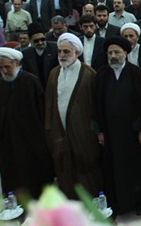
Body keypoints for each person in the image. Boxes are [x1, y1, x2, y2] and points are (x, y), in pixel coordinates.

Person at [96, 37, 141, 215]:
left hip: (133, 133)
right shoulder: (102, 75)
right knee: (114, 168)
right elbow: (97, 105)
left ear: (126, 53)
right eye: (110, 53)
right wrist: (100, 131)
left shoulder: (137, 74)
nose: (113, 56)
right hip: (111, 132)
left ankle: (139, 202)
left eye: (117, 52)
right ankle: (119, 203)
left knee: (136, 167)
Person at [44, 33, 102, 198]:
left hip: (84, 133)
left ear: (77, 53)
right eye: (60, 51)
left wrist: (95, 131)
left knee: (86, 171)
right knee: (64, 169)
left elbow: (96, 107)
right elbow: (49, 104)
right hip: (59, 131)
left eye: (66, 52)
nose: (62, 55)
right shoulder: (54, 73)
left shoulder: (89, 73)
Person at [0, 48, 54, 198]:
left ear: (17, 63)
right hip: (7, 143)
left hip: (30, 141)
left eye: (7, 67)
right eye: (1, 67)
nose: (4, 71)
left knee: (33, 179)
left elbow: (41, 113)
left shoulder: (31, 82)